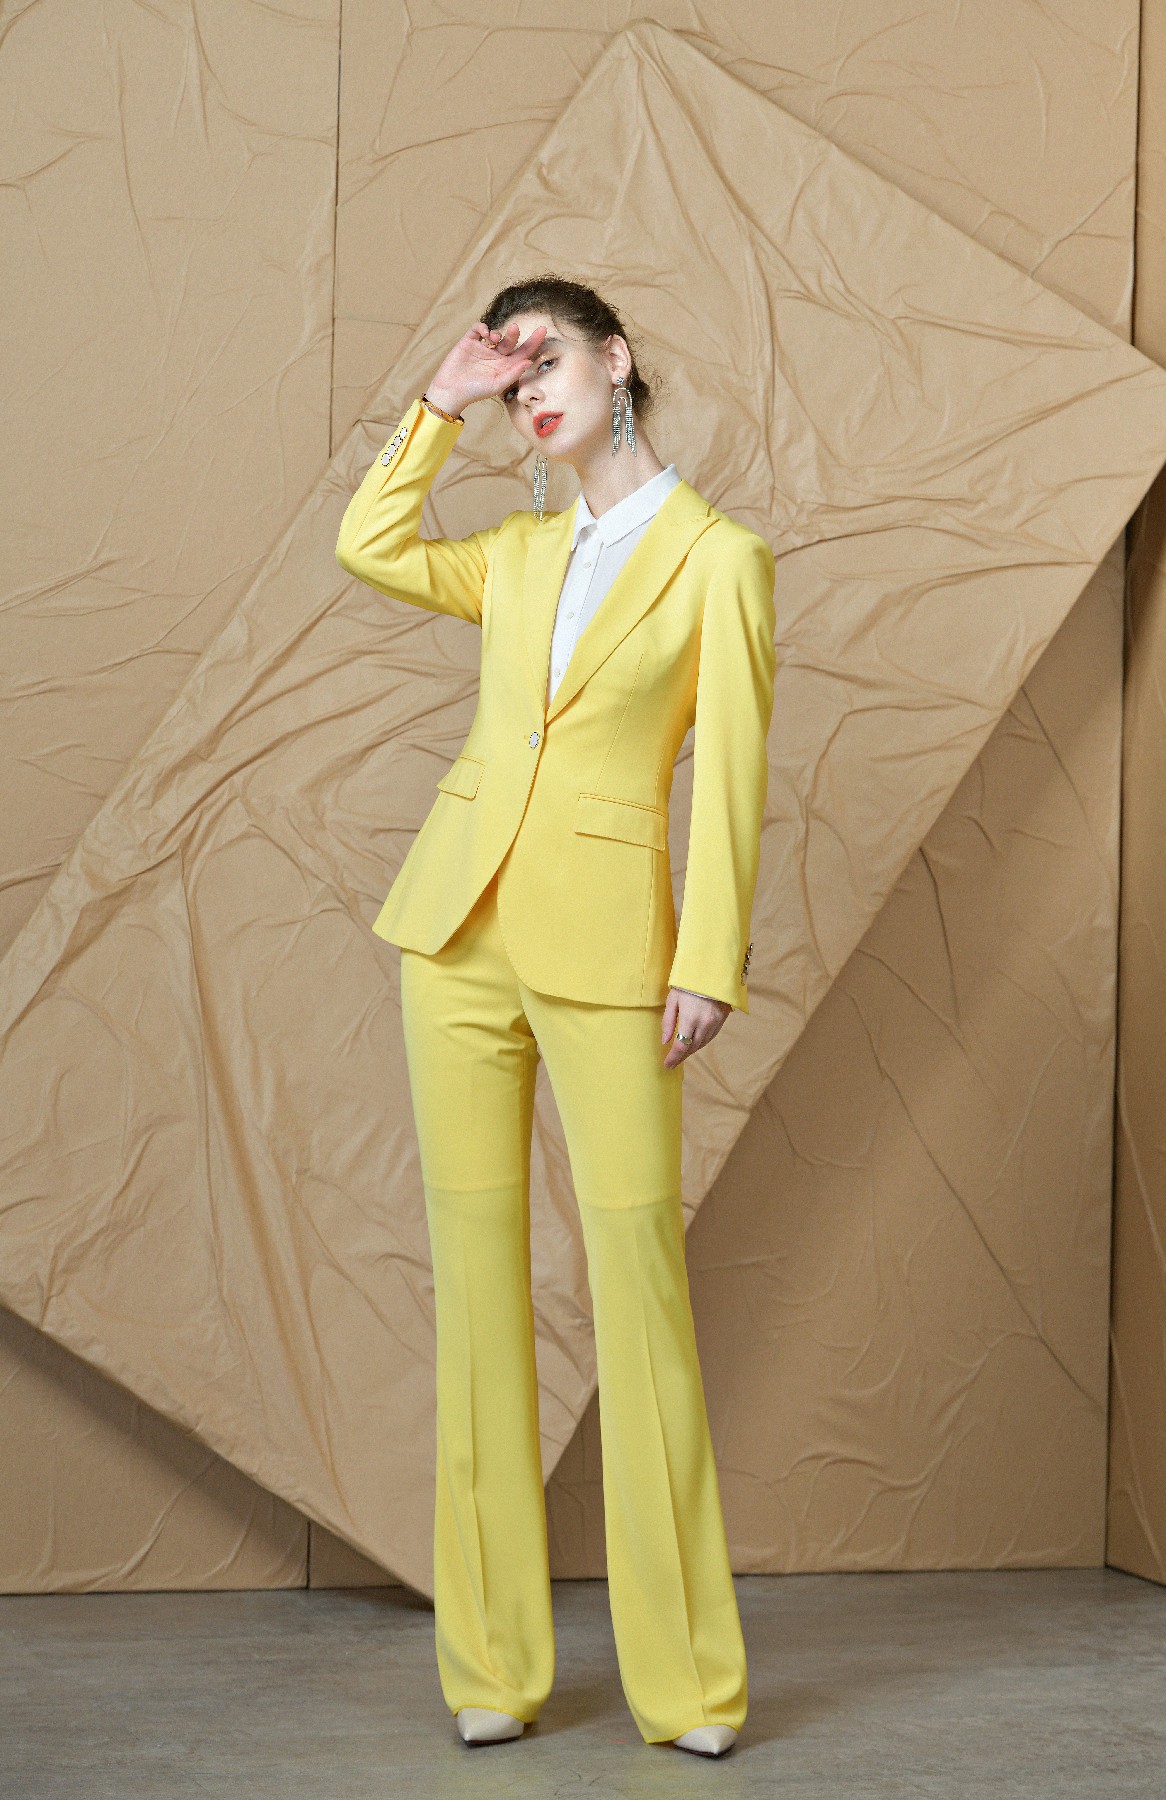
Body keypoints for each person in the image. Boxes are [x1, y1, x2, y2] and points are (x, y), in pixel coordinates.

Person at [334, 275, 776, 1757]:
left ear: (617, 361)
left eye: (545, 362)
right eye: (509, 374)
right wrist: (440, 404)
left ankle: (690, 1687)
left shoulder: (720, 560)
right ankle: (492, 1667)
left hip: (611, 956)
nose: (529, 392)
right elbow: (368, 541)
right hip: (454, 938)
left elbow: (732, 775)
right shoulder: (517, 553)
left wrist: (706, 956)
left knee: (639, 1293)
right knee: (475, 1301)